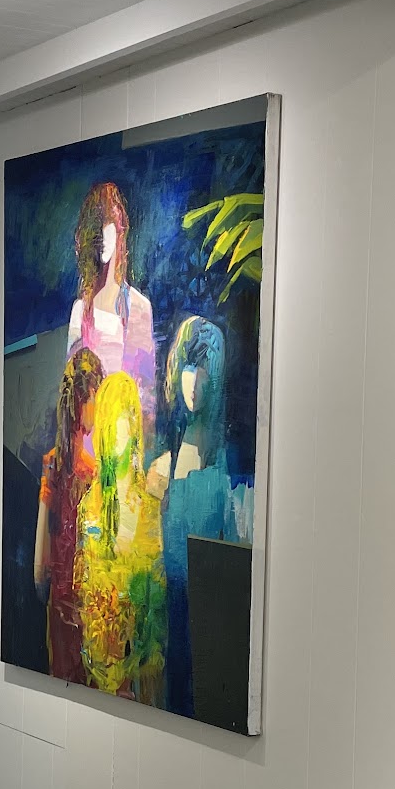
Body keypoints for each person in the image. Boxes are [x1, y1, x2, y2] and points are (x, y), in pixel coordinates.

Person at [146, 316, 248, 715]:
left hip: (210, 612)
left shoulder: (226, 459)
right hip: (170, 608)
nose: (193, 380)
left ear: (215, 375)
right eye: (188, 367)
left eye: (203, 368)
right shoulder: (165, 456)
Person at [75, 372, 165, 704]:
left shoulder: (150, 506)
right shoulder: (90, 507)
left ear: (134, 423)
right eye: (108, 417)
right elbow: (83, 595)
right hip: (101, 675)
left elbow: (158, 600)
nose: (115, 427)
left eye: (123, 415)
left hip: (143, 679)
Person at [34, 347, 104, 682]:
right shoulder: (89, 471)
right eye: (96, 398)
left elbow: (39, 562)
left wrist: (42, 581)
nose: (99, 409)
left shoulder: (53, 463)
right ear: (84, 398)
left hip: (62, 603)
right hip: (77, 606)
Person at [66, 182, 156, 432]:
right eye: (96, 229)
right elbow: (71, 392)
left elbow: (147, 398)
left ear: (119, 230)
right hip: (88, 439)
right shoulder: (80, 312)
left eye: (108, 225)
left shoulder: (139, 308)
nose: (102, 238)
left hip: (124, 438)